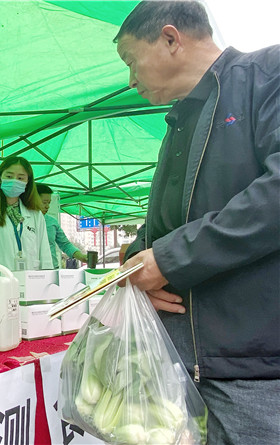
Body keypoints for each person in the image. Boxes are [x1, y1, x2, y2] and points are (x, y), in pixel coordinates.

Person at [115, 2, 280, 443]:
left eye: (131, 61)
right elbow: (162, 224)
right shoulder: (180, 120)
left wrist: (169, 259)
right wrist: (136, 262)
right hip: (183, 363)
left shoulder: (267, 75)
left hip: (255, 366)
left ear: (171, 39)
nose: (131, 81)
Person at [0, 156, 53, 271]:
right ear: (0, 178)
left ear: (27, 182)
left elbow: (45, 255)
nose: (14, 181)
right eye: (9, 176)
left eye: (20, 178)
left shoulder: (35, 214)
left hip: (31, 283)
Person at [35, 183, 88, 268]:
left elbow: (65, 244)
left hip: (51, 268)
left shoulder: (52, 222)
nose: (47, 206)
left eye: (49, 203)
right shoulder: (23, 220)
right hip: (32, 270)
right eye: (44, 203)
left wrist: (81, 257)